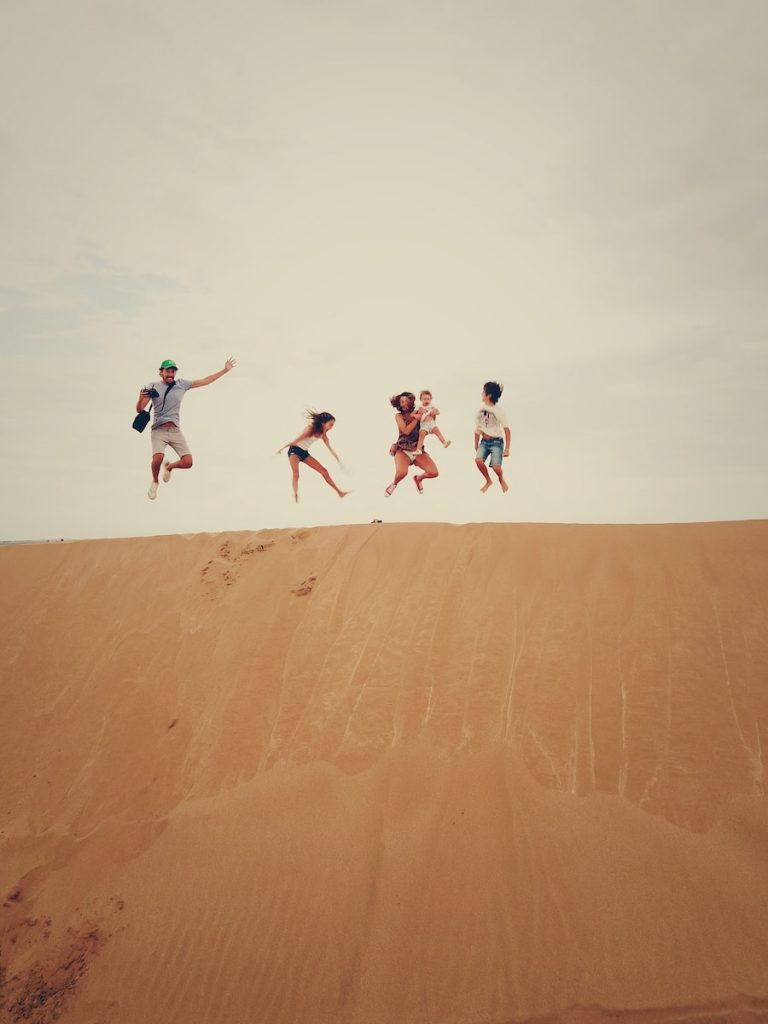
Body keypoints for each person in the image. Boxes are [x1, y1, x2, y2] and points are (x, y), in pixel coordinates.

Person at [136, 357, 236, 500]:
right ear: (161, 372)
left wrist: (225, 370)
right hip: (158, 430)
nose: (170, 374)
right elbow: (140, 410)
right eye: (167, 371)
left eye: (173, 371)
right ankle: (155, 481)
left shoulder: (182, 384)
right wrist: (140, 398)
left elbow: (205, 381)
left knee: (188, 462)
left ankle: (169, 467)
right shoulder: (152, 386)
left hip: (175, 430)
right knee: (158, 458)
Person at [276, 411, 349, 502]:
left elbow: (331, 449)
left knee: (324, 471)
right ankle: (295, 494)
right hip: (294, 451)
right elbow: (295, 441)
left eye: (332, 425)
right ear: (323, 423)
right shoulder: (310, 429)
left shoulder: (323, 435)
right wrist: (281, 448)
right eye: (330, 424)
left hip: (304, 453)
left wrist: (339, 461)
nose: (331, 427)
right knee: (296, 474)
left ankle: (340, 492)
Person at [385, 392, 439, 497]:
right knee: (402, 473)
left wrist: (431, 414)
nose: (404, 404)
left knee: (434, 472)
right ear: (399, 404)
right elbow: (405, 431)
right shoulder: (399, 416)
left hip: (417, 450)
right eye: (401, 402)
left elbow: (429, 424)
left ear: (411, 402)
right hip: (403, 450)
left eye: (406, 401)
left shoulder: (419, 412)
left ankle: (418, 479)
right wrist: (416, 418)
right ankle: (394, 483)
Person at [475, 381, 510, 493]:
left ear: (488, 395)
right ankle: (488, 480)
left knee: (496, 468)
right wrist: (475, 444)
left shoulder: (498, 411)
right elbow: (477, 429)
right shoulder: (480, 411)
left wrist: (507, 448)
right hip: (484, 442)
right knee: (478, 461)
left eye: (483, 392)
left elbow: (507, 430)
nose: (481, 394)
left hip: (497, 442)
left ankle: (500, 478)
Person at [415, 389, 451, 454]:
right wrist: (417, 414)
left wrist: (434, 412)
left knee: (436, 430)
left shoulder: (431, 405)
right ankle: (418, 449)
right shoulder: (419, 406)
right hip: (424, 424)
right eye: (424, 399)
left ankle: (444, 442)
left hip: (431, 423)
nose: (426, 400)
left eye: (428, 399)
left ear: (431, 399)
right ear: (421, 400)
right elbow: (413, 413)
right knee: (421, 435)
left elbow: (438, 412)